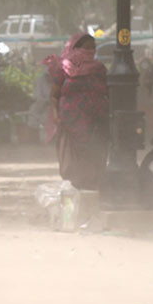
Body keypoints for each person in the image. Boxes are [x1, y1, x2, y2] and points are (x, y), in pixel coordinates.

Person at [44, 33, 109, 190]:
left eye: (93, 48)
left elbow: (108, 92)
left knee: (94, 162)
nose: (90, 51)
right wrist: (56, 115)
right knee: (71, 166)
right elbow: (54, 96)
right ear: (75, 48)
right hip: (70, 126)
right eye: (86, 48)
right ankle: (75, 195)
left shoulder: (99, 69)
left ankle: (92, 195)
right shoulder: (63, 69)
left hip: (96, 124)